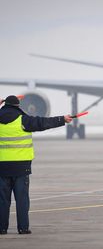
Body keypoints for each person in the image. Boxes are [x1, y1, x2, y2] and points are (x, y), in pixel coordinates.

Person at [0, 95, 73, 235]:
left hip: (2, 168)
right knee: (22, 200)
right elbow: (43, 123)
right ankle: (23, 228)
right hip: (21, 168)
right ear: (18, 106)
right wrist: (62, 119)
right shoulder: (23, 120)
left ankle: (2, 228)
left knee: (2, 200)